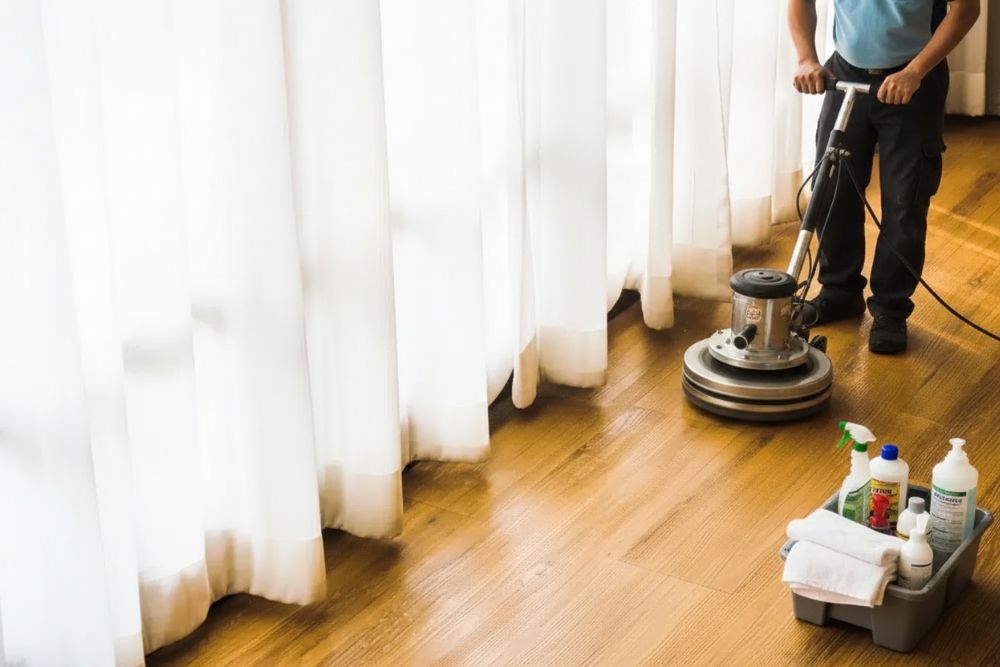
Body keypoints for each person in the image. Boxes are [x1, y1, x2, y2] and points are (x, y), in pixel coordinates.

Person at [788, 0, 980, 354]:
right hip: (845, 73)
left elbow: (966, 10)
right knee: (833, 190)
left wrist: (916, 71)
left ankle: (891, 308)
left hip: (914, 78)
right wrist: (806, 58)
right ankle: (839, 291)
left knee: (904, 200)